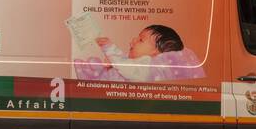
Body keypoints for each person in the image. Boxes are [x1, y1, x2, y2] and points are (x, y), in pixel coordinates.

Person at [74, 24, 204, 82]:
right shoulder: (136, 64)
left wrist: (114, 60)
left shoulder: (150, 67)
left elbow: (129, 68)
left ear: (155, 53)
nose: (133, 41)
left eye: (141, 40)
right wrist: (108, 46)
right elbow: (124, 61)